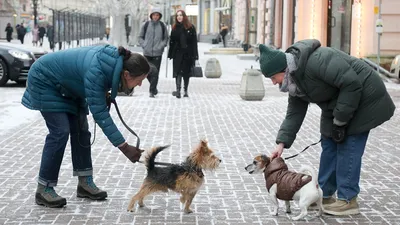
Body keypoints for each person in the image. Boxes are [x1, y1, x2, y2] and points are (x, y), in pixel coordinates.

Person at [260, 39, 395, 215]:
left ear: (283, 70)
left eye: (272, 77)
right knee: (328, 141)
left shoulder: (317, 62)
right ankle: (324, 194)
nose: (273, 82)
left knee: (348, 145)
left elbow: (351, 84)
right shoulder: (295, 80)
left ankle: (348, 200)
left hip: (364, 97)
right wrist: (281, 144)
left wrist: (340, 121)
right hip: (337, 102)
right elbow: (294, 114)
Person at [21, 45, 150, 208]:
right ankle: (44, 189)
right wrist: (124, 147)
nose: (139, 85)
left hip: (69, 87)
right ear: (126, 74)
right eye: (139, 81)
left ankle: (85, 183)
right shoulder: (98, 72)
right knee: (60, 132)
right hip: (45, 80)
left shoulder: (112, 66)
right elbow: (101, 115)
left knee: (82, 131)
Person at [167, 10, 199, 99]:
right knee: (177, 72)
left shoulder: (190, 27)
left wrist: (195, 55)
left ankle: (185, 90)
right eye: (177, 16)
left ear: (184, 16)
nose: (179, 17)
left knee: (186, 73)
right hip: (177, 53)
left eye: (181, 15)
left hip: (187, 54)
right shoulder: (174, 28)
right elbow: (171, 42)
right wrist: (170, 54)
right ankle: (178, 90)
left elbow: (194, 42)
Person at [138, 8, 168, 98]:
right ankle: (154, 87)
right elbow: (140, 37)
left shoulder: (162, 26)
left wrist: (161, 46)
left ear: (159, 16)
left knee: (155, 72)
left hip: (157, 53)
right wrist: (144, 45)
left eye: (157, 15)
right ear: (151, 15)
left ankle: (152, 90)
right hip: (147, 53)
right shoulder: (146, 25)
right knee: (147, 72)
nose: (155, 16)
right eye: (154, 15)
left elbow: (166, 38)